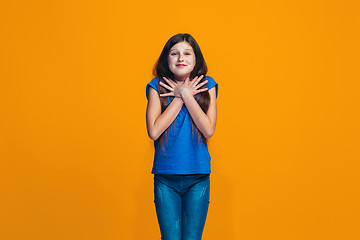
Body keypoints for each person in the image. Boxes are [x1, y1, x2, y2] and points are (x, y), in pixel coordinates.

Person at [145, 33, 218, 240]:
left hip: (198, 178)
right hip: (165, 179)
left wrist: (187, 94)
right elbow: (154, 131)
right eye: (174, 53)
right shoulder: (156, 86)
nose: (180, 58)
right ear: (166, 59)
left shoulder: (208, 85)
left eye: (187, 53)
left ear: (196, 60)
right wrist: (178, 96)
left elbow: (208, 129)